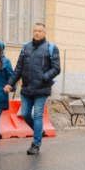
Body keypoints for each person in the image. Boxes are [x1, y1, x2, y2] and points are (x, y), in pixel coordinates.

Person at [13, 22, 61, 155]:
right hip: (27, 87)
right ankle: (39, 131)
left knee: (38, 115)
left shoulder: (51, 48)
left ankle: (36, 144)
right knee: (25, 114)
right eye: (35, 31)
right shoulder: (26, 48)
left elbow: (56, 68)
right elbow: (18, 68)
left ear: (44, 33)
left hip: (42, 88)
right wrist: (10, 83)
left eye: (40, 31)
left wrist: (44, 77)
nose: (37, 33)